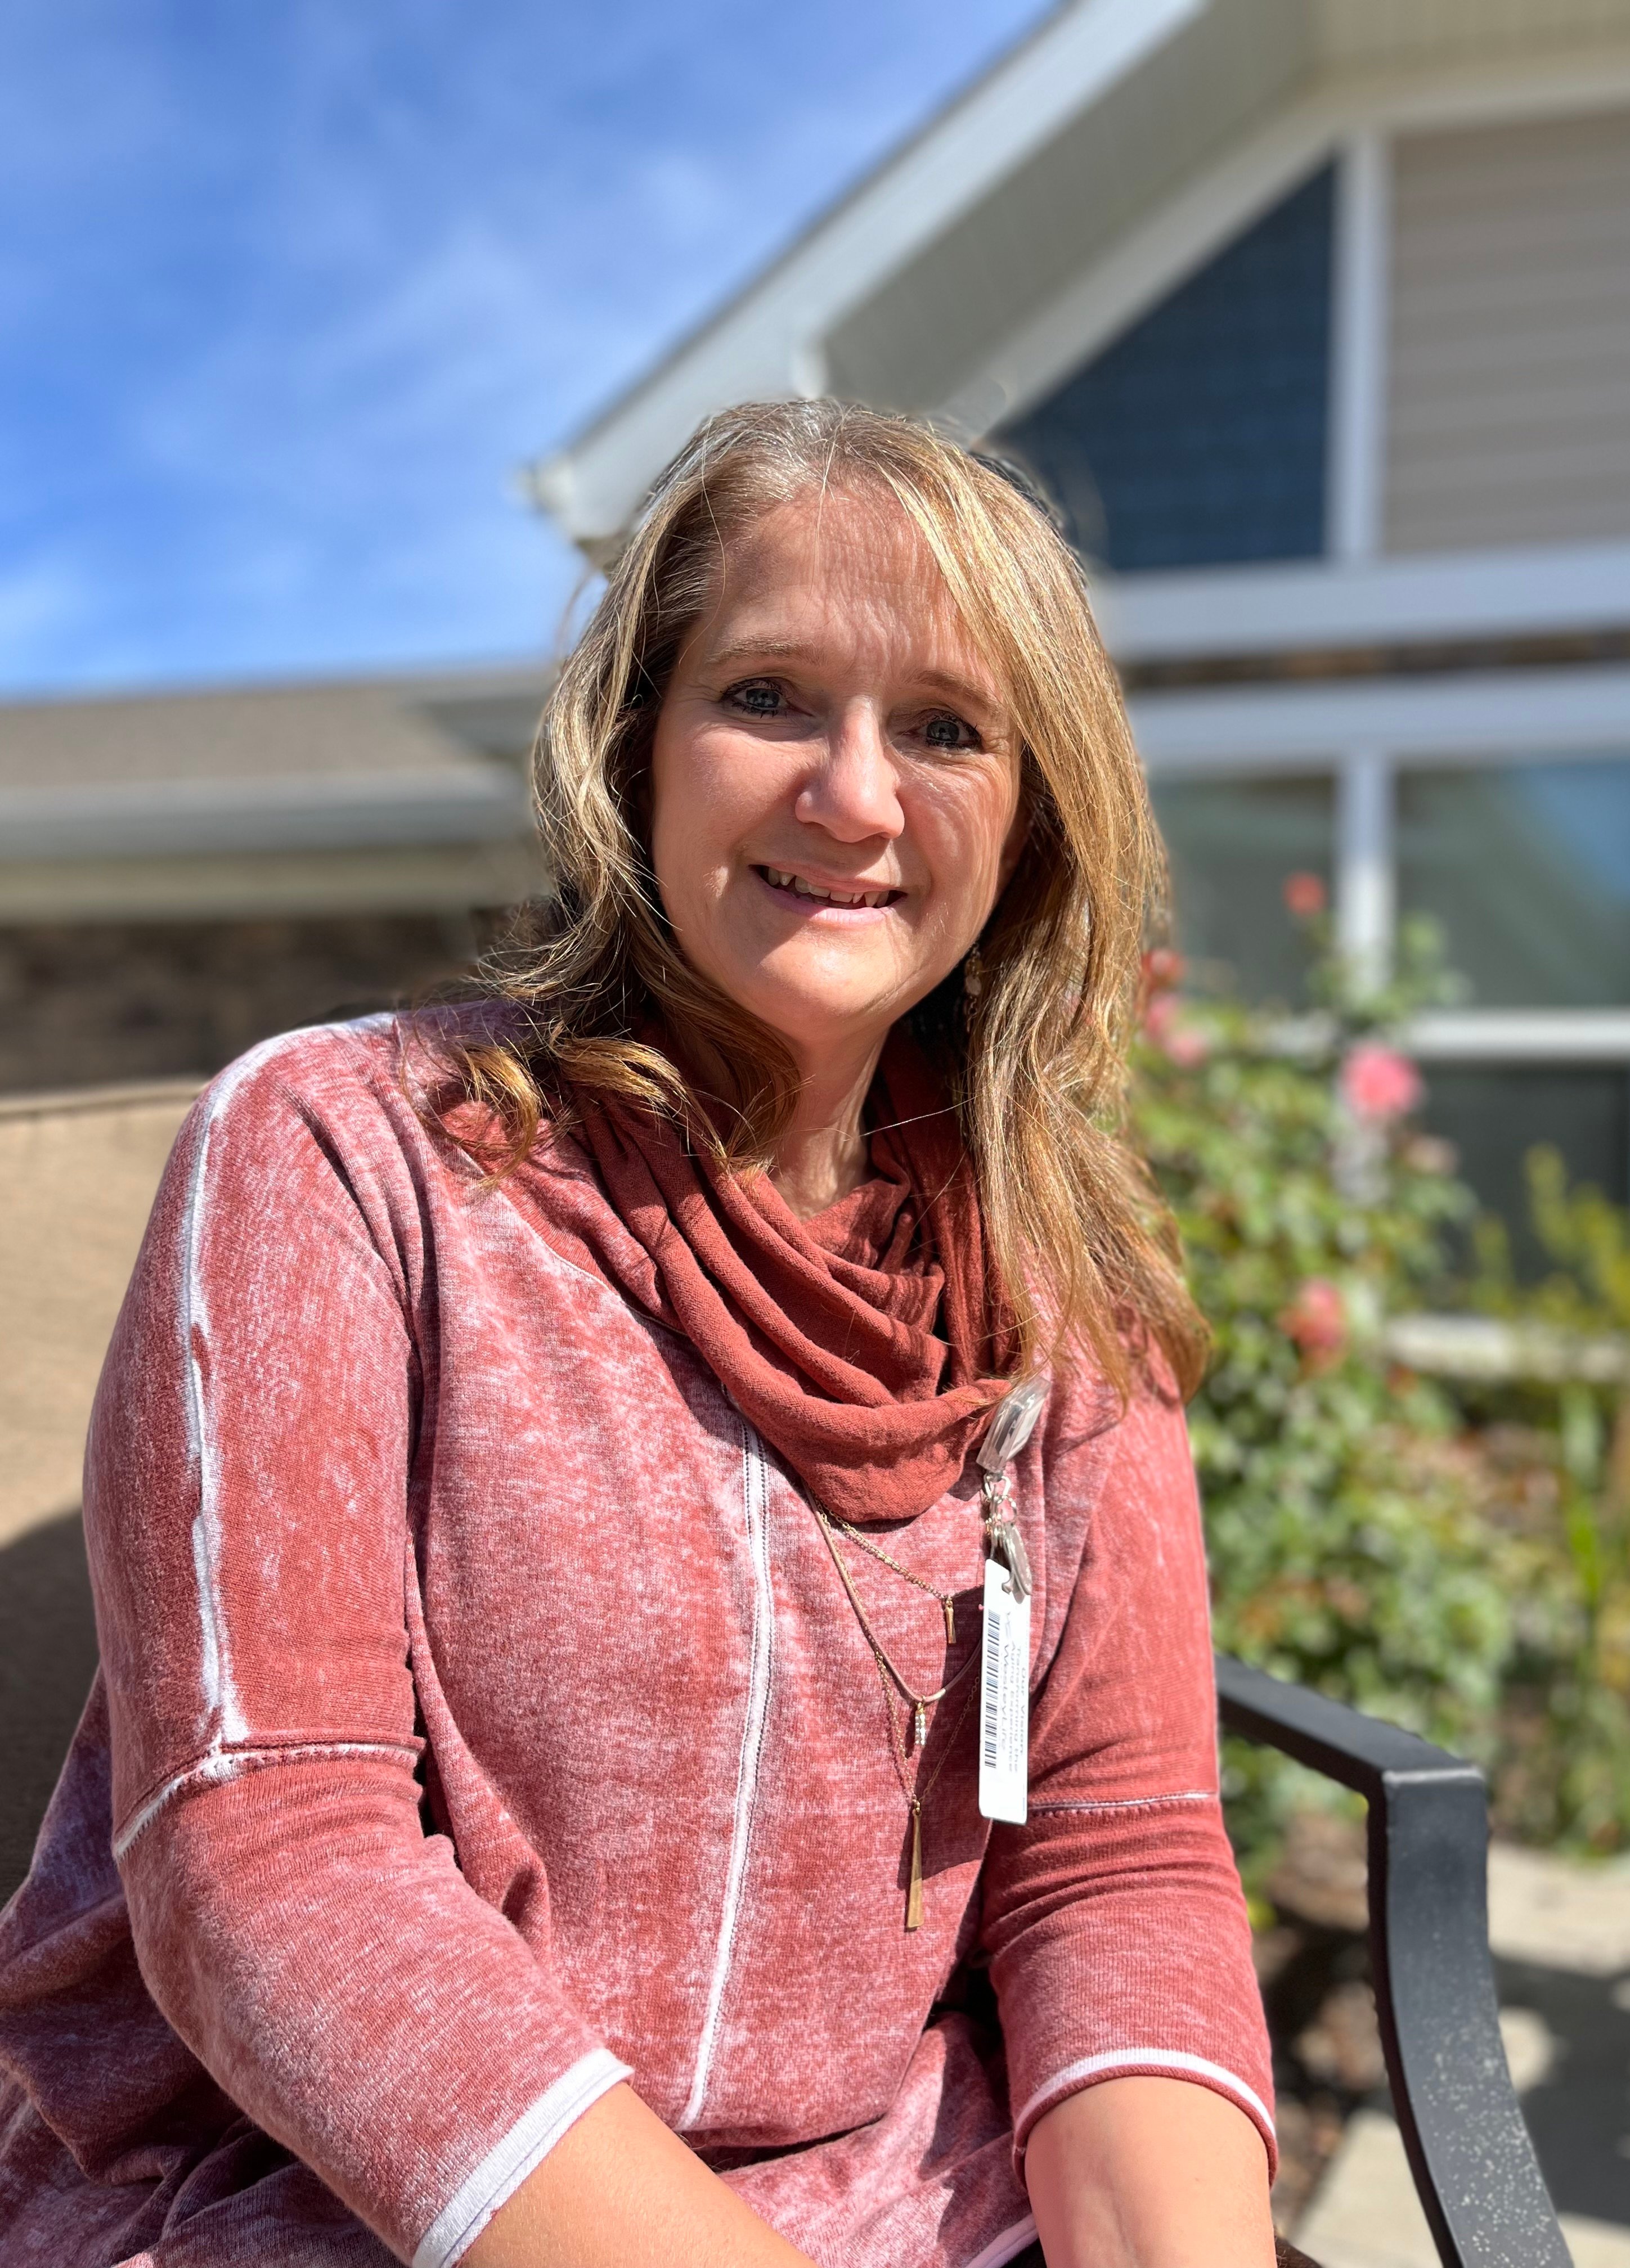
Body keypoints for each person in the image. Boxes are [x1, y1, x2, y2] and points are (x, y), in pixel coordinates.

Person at [0, 400, 1279, 2268]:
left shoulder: (1064, 1279)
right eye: (767, 696)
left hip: (902, 2193)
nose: (854, 796)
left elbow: (1115, 1854)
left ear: (1031, 815)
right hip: (331, 2202)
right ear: (640, 750)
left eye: (944, 726)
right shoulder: (348, 1158)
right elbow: (274, 1861)